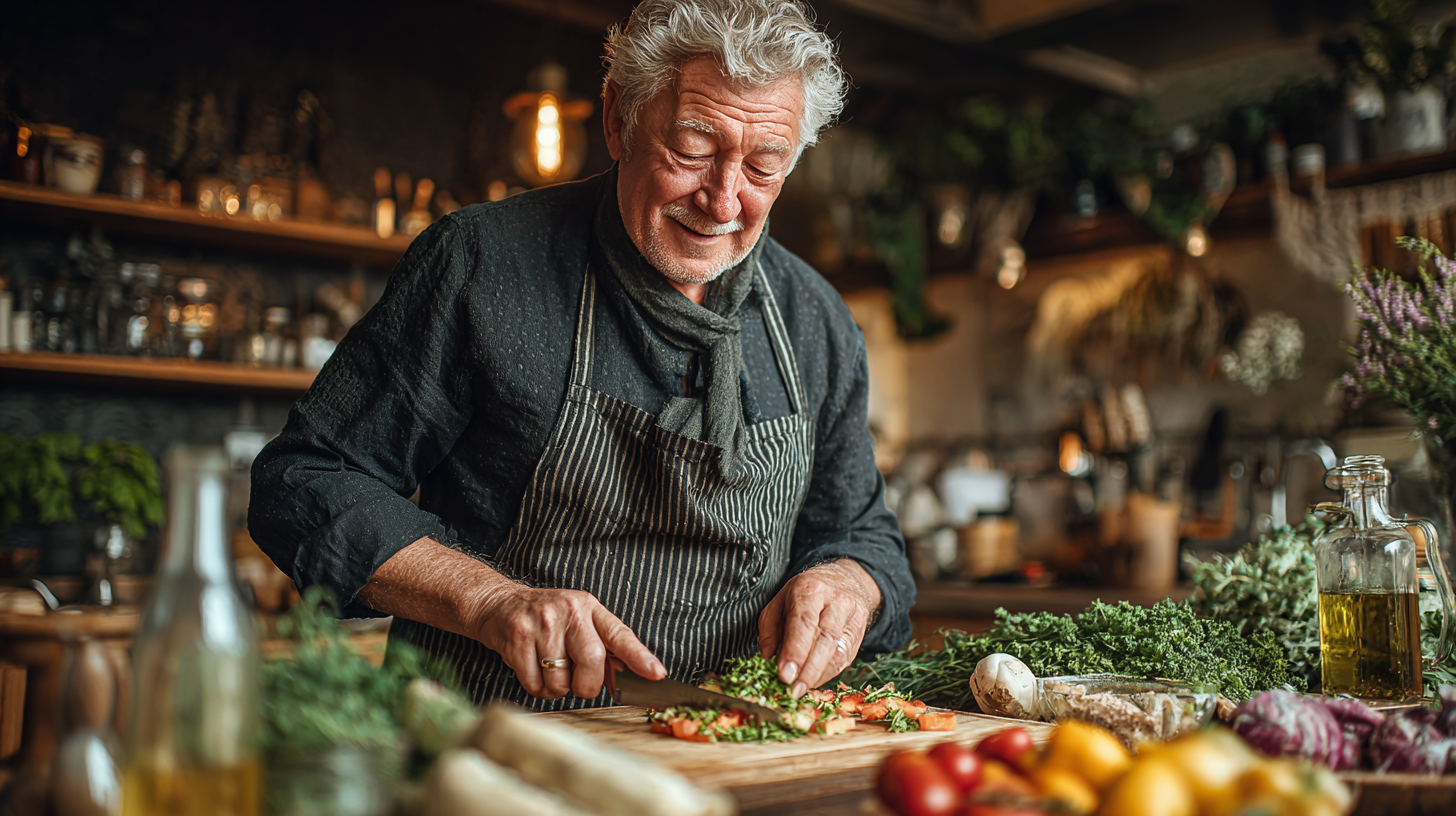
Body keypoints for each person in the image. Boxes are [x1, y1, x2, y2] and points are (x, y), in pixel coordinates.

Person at [248, 0, 913, 710]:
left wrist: (848, 580)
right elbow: (307, 481)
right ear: (618, 118)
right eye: (693, 148)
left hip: (728, 752)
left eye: (763, 165)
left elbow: (861, 532)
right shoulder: (480, 263)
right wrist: (490, 601)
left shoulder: (816, 320)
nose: (723, 200)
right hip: (485, 749)